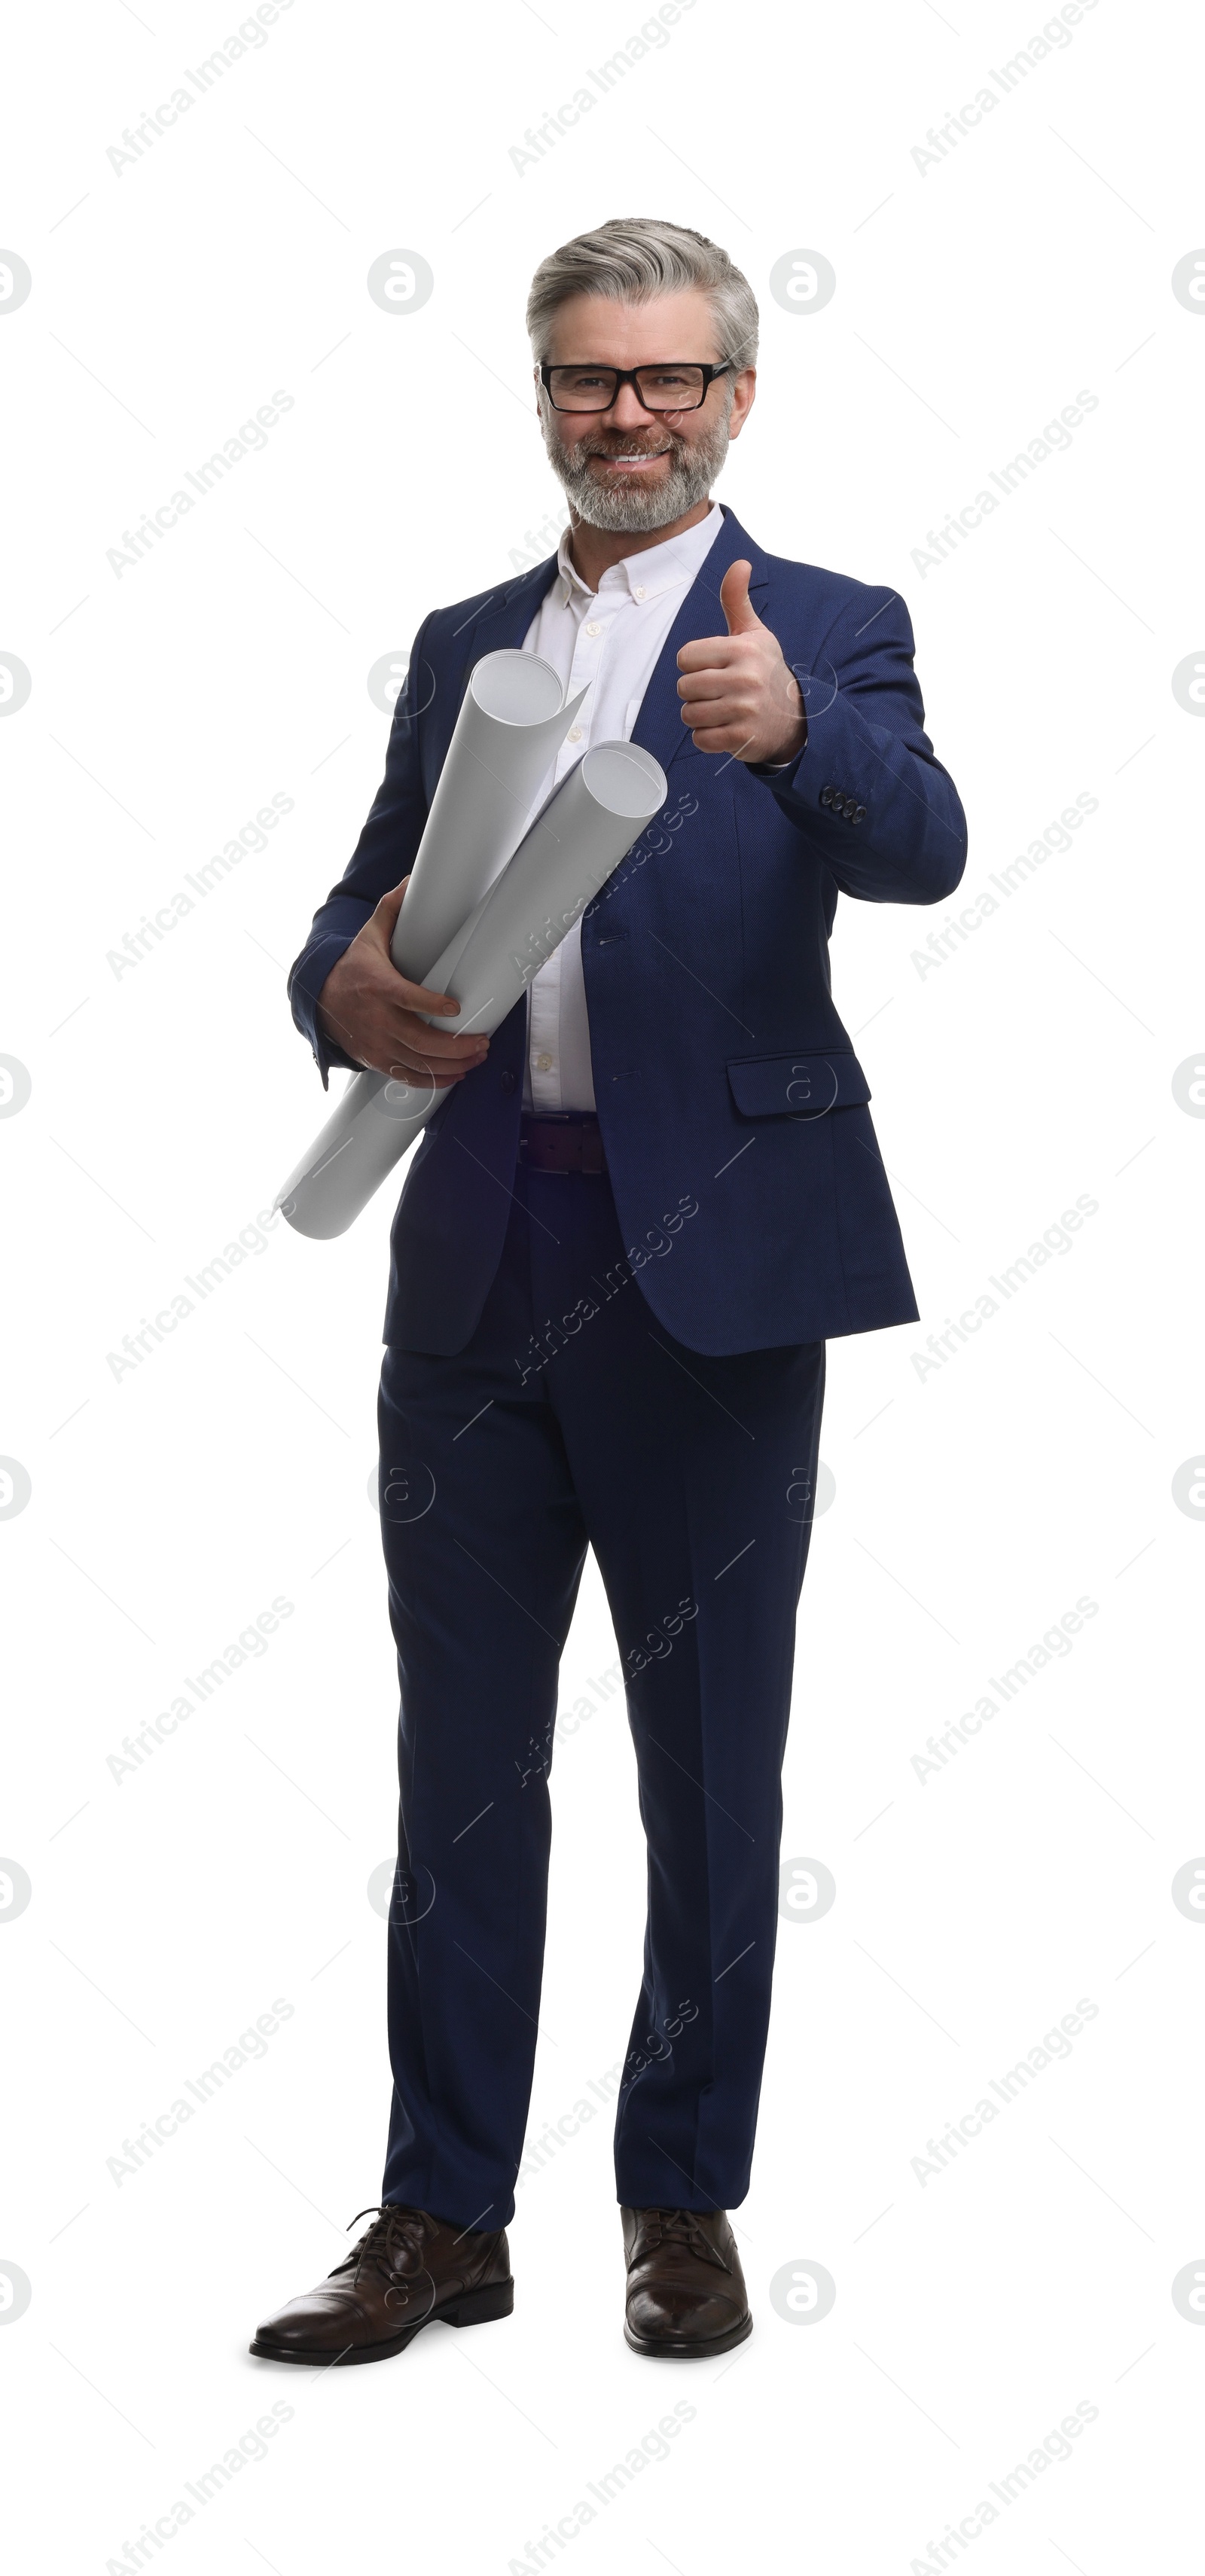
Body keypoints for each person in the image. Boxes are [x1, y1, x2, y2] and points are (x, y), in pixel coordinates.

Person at [251, 216, 966, 2369]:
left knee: (708, 1765)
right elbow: (361, 909)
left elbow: (923, 842)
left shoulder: (826, 627)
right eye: (589, 378)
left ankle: (683, 2200)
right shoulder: (469, 634)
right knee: (459, 1770)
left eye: (667, 380)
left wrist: (794, 740)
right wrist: (339, 991)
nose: (628, 414)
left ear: (737, 397)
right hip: (477, 1256)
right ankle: (439, 2213)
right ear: (547, 395)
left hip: (719, 1269)